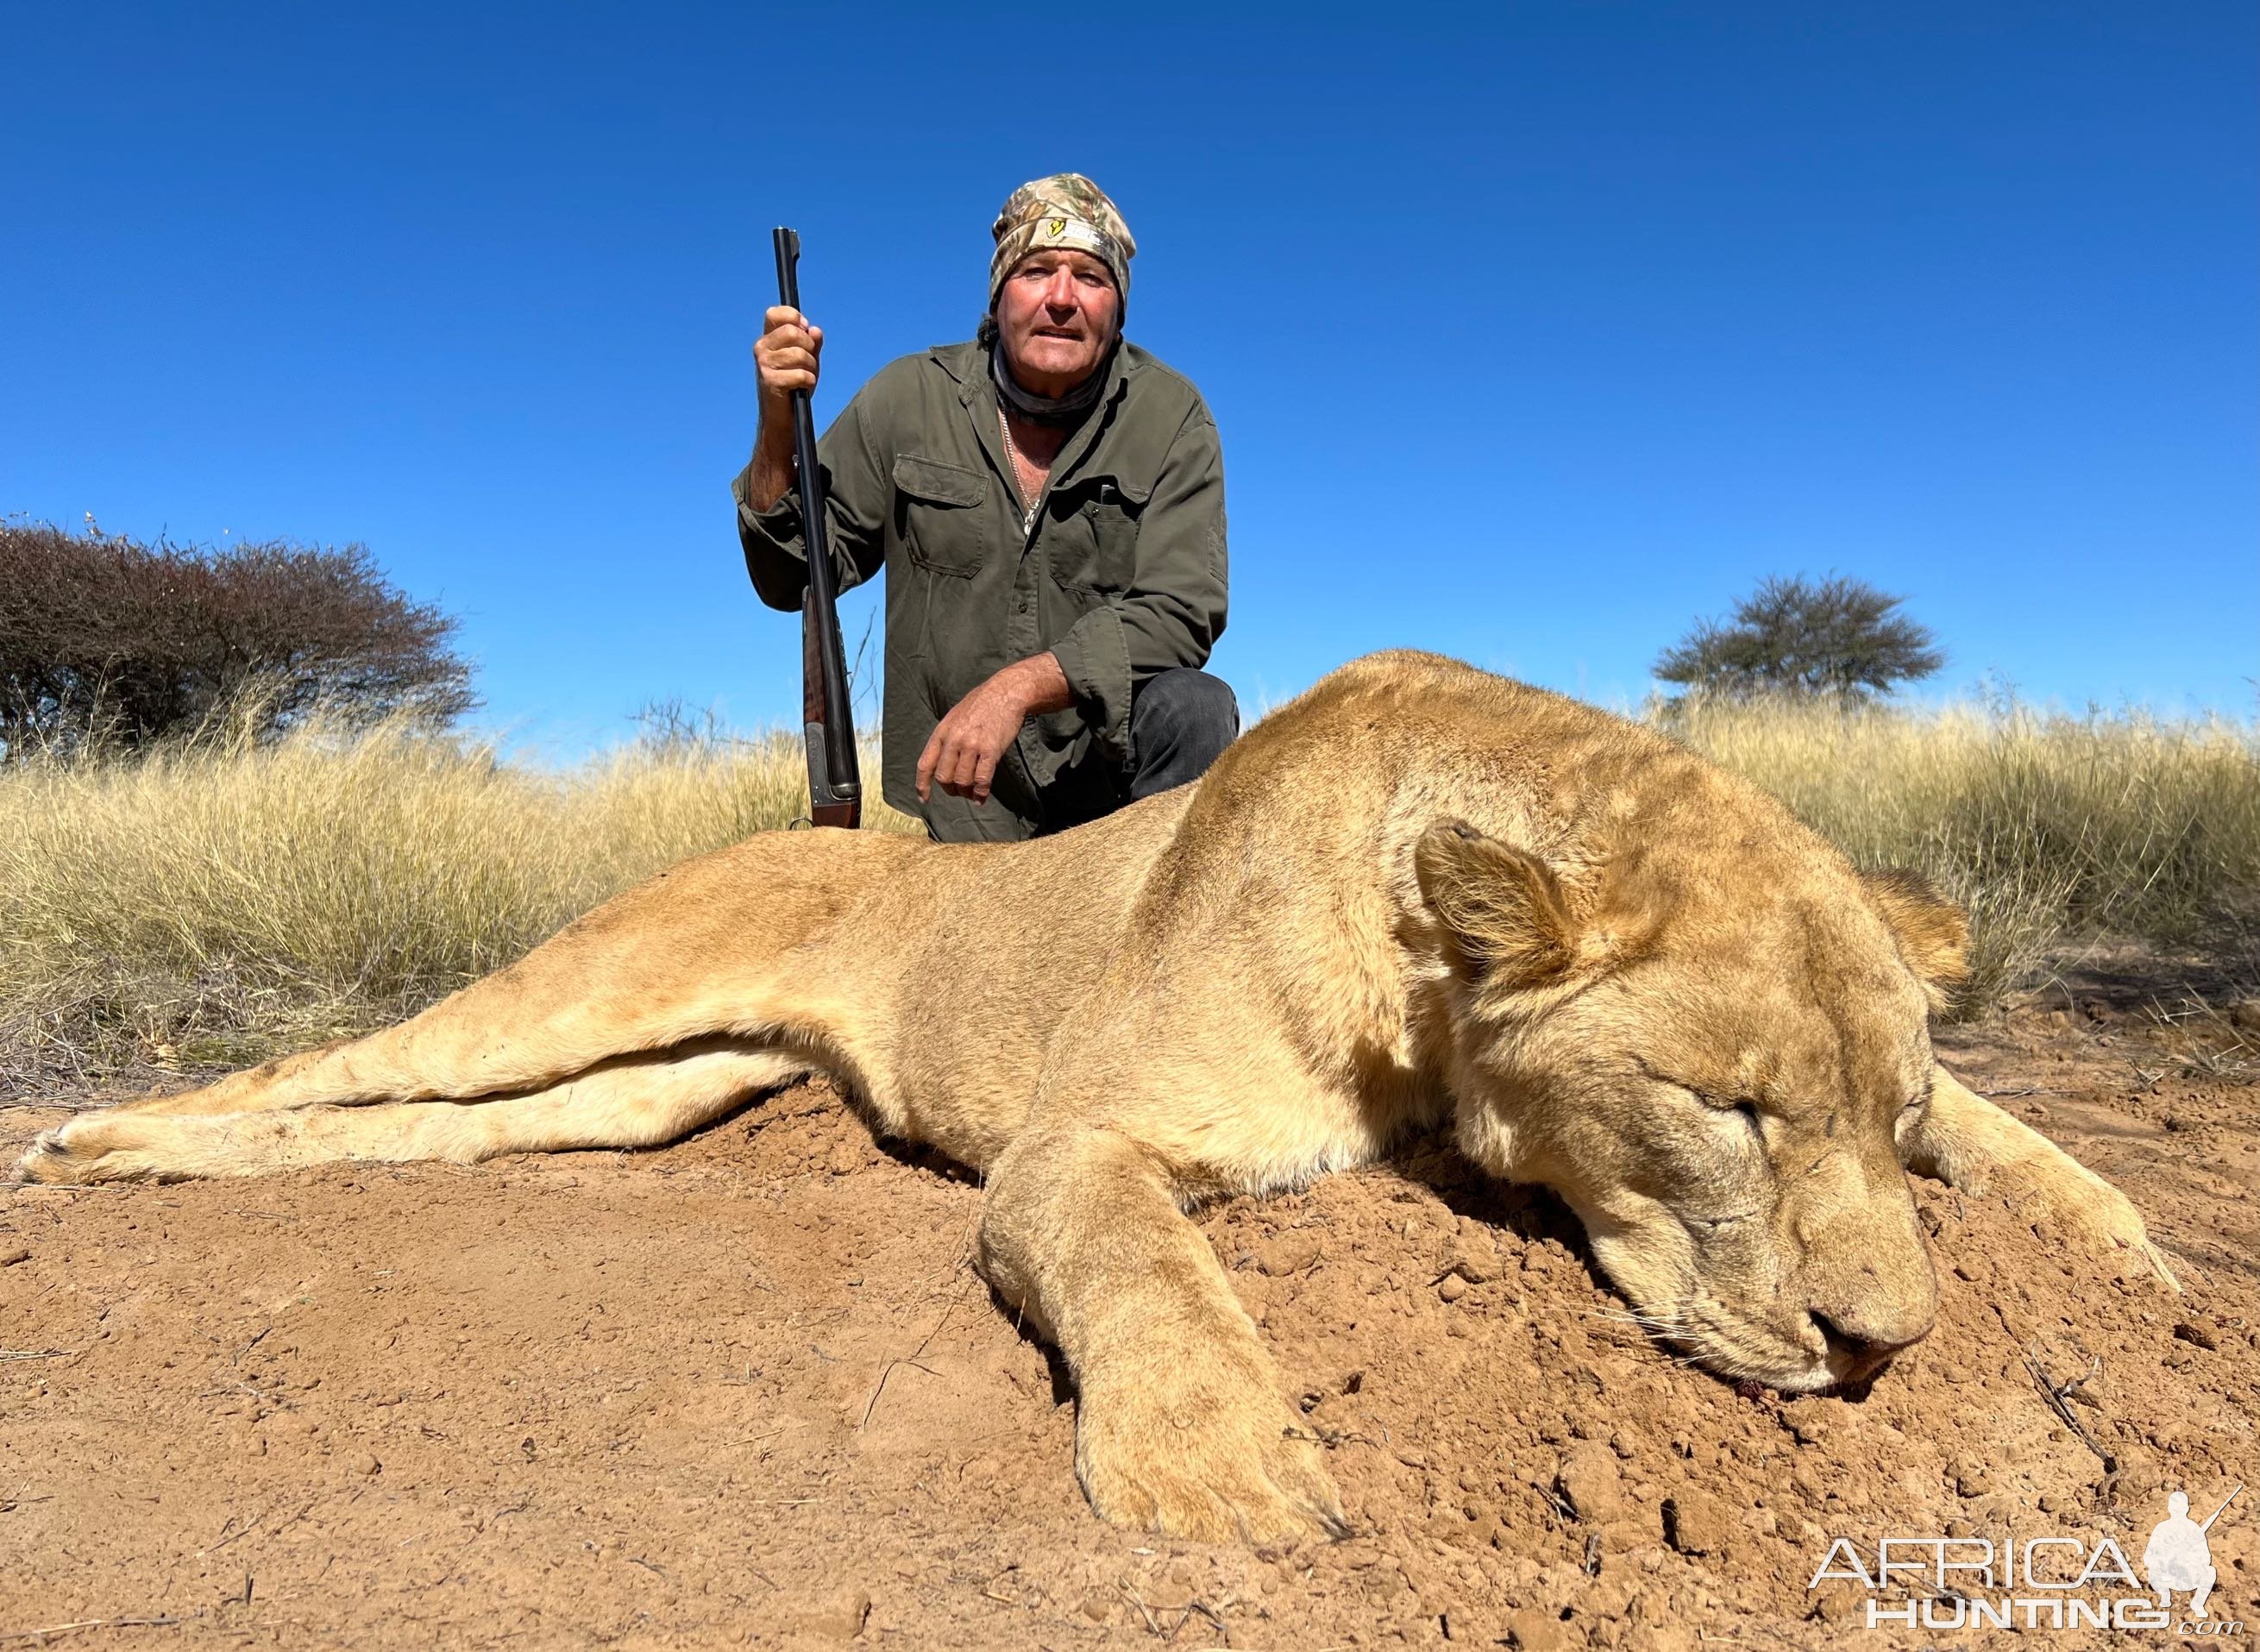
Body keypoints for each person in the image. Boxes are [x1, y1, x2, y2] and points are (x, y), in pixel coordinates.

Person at [733, 174, 1237, 842]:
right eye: (1036, 271)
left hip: (1118, 806)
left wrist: (1020, 687)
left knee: (1196, 708)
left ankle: (1173, 930)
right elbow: (787, 572)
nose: (1061, 298)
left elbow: (1183, 610)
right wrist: (775, 420)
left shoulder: (1173, 417)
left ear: (1118, 308)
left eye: (1090, 277)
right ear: (1000, 294)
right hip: (964, 806)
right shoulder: (907, 399)